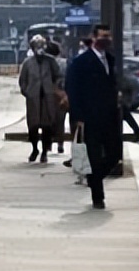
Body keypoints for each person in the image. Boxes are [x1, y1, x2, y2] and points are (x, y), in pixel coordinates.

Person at [65, 23, 122, 209]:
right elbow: (72, 90)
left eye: (108, 36)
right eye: (102, 36)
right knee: (95, 156)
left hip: (110, 116)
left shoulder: (110, 60)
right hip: (90, 117)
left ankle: (94, 177)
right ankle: (98, 196)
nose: (106, 39)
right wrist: (78, 116)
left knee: (114, 154)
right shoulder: (81, 62)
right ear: (94, 38)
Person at [18, 35, 61, 163]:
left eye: (41, 46)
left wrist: (54, 89)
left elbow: (58, 76)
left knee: (47, 127)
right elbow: (22, 80)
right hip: (33, 98)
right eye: (36, 46)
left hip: (48, 98)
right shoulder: (27, 63)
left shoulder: (50, 61)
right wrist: (27, 92)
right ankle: (35, 148)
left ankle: (44, 152)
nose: (39, 49)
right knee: (33, 126)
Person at [45, 41, 68, 154]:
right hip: (63, 94)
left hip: (49, 94)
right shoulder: (65, 63)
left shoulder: (46, 63)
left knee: (48, 121)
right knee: (61, 121)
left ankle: (48, 144)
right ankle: (60, 144)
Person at [118, 72, 139, 143]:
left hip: (123, 103)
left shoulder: (124, 80)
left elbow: (131, 91)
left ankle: (138, 133)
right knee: (128, 118)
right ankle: (138, 133)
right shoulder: (125, 79)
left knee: (127, 117)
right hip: (123, 102)